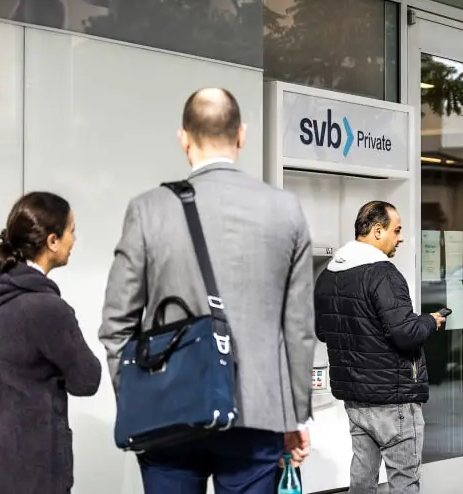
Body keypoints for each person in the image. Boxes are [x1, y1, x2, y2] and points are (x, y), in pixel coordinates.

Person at [99, 87, 316, 494]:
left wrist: (139, 394)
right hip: (258, 411)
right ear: (242, 135)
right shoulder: (285, 209)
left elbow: (116, 324)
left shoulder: (149, 209)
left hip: (170, 411)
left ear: (184, 138)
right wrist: (297, 415)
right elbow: (299, 328)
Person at [0, 192, 102, 494]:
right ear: (52, 241)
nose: (74, 240)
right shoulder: (46, 309)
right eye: (71, 231)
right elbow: (87, 380)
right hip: (30, 467)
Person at [314, 201, 445, 494]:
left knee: (362, 480)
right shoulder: (384, 274)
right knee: (404, 483)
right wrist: (430, 321)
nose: (400, 237)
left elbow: (323, 332)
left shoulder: (328, 275)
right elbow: (406, 334)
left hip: (356, 400)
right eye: (396, 230)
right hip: (393, 397)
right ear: (377, 230)